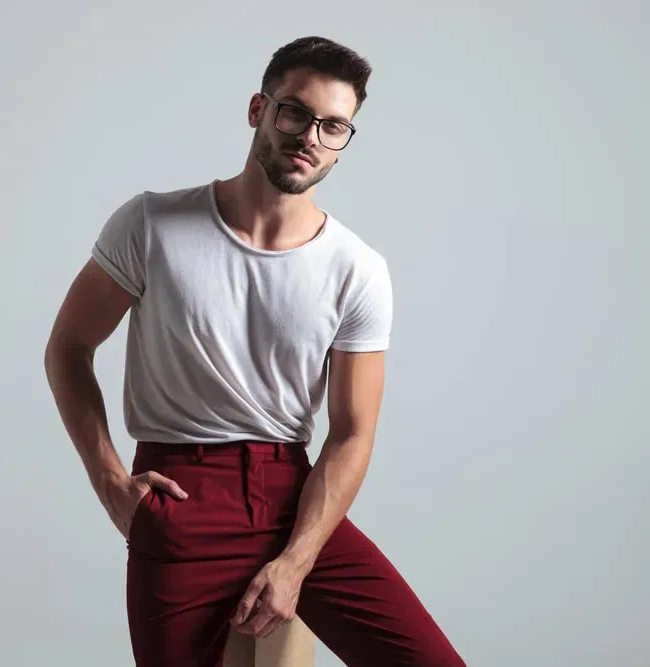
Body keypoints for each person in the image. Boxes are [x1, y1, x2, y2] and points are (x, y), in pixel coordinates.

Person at [43, 35, 465, 667]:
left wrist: (296, 562)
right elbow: (69, 348)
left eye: (333, 126)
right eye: (294, 112)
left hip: (294, 499)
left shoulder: (358, 270)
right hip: (179, 497)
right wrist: (110, 482)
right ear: (257, 110)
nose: (309, 137)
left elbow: (353, 433)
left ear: (345, 140)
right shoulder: (151, 225)